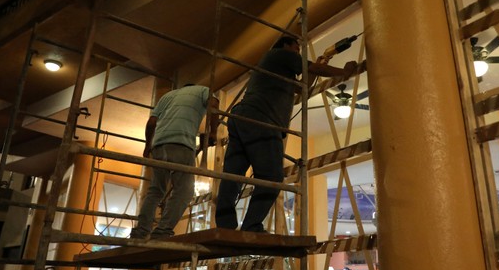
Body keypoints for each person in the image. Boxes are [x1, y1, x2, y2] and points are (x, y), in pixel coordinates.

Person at [215, 36, 357, 232]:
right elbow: (314, 70)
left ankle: (225, 226)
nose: (298, 51)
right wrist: (345, 72)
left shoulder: (275, 68)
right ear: (286, 45)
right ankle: (251, 225)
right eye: (296, 47)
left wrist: (316, 66)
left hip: (243, 116)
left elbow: (302, 88)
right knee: (272, 176)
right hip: (262, 118)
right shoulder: (281, 54)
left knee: (233, 175)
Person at [130, 84, 219, 240]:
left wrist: (147, 146)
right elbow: (214, 105)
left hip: (158, 145)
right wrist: (213, 132)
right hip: (182, 143)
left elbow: (151, 123)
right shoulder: (203, 90)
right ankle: (162, 230)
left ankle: (140, 231)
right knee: (184, 191)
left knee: (156, 190)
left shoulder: (167, 96)